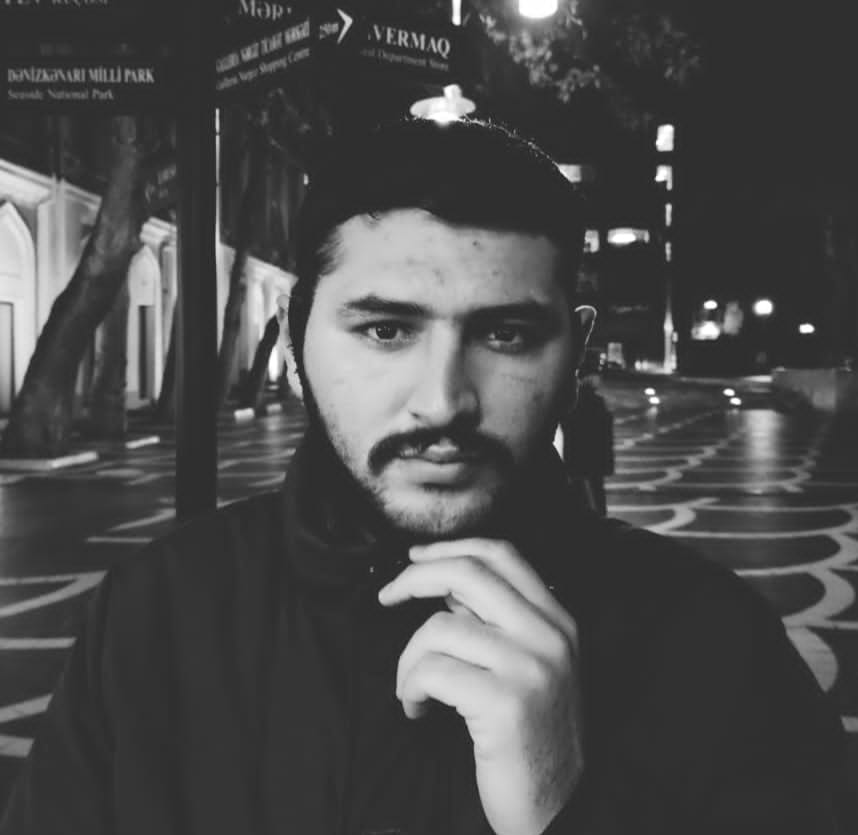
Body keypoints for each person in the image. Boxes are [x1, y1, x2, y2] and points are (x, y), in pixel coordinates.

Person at [1, 118, 852, 835]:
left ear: (578, 353)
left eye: (506, 335)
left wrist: (570, 808)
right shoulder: (156, 620)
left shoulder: (715, 645)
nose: (444, 400)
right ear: (296, 339)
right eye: (385, 330)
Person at [559, 353, 614, 516]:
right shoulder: (591, 402)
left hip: (579, 464)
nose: (600, 380)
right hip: (589, 465)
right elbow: (600, 437)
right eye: (597, 375)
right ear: (589, 377)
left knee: (583, 504)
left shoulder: (573, 399)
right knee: (593, 506)